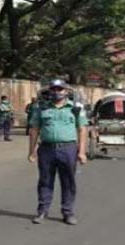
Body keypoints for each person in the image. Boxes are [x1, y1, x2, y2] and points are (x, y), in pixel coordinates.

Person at [28, 79, 88, 226]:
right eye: (54, 89)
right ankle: (42, 211)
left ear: (66, 91)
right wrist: (31, 151)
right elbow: (34, 129)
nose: (56, 92)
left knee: (68, 181)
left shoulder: (75, 108)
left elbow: (82, 129)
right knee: (45, 180)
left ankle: (68, 212)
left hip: (68, 149)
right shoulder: (41, 108)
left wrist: (82, 152)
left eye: (59, 89)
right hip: (46, 149)